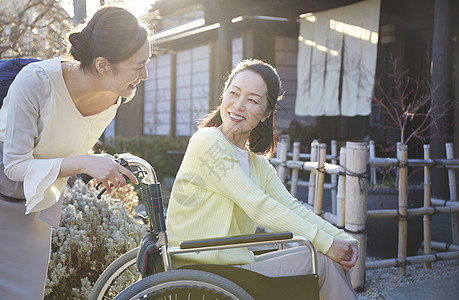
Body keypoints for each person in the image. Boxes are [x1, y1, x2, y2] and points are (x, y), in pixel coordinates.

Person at [166, 59, 359, 299]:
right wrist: (328, 244)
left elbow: (291, 207)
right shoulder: (207, 141)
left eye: (252, 100)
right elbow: (257, 205)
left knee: (324, 259)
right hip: (198, 272)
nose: (238, 105)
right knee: (321, 261)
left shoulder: (258, 164)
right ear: (223, 95)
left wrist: (341, 239)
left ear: (266, 113)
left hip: (233, 269)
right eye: (233, 93)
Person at [0, 6, 151, 299]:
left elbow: (70, 136)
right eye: (138, 65)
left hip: (35, 203)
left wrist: (98, 164)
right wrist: (84, 162)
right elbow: (14, 166)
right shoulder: (37, 82)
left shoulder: (118, 95)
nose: (144, 75)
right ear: (104, 65)